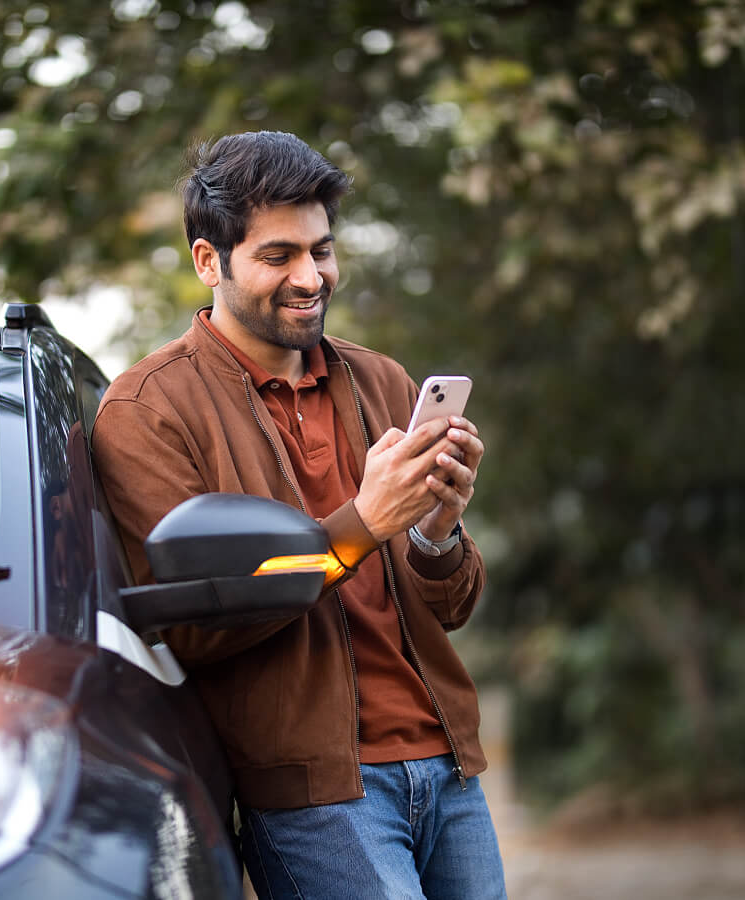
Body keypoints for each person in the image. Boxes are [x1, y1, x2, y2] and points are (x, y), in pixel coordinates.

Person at [91, 131, 507, 900]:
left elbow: (451, 608)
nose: (311, 276)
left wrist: (436, 530)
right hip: (316, 795)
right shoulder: (148, 410)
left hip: (447, 771)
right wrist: (361, 524)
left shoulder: (381, 380)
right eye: (278, 256)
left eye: (321, 250)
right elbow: (190, 627)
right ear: (209, 261)